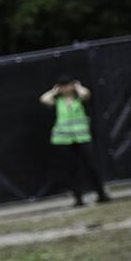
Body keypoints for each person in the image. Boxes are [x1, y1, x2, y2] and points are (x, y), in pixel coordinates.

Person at [39, 76, 111, 206]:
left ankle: (101, 194)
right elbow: (43, 99)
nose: (66, 88)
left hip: (82, 137)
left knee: (92, 166)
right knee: (71, 169)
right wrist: (54, 91)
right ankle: (78, 198)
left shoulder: (79, 98)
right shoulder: (58, 101)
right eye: (63, 85)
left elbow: (86, 94)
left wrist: (78, 87)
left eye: (68, 85)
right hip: (63, 139)